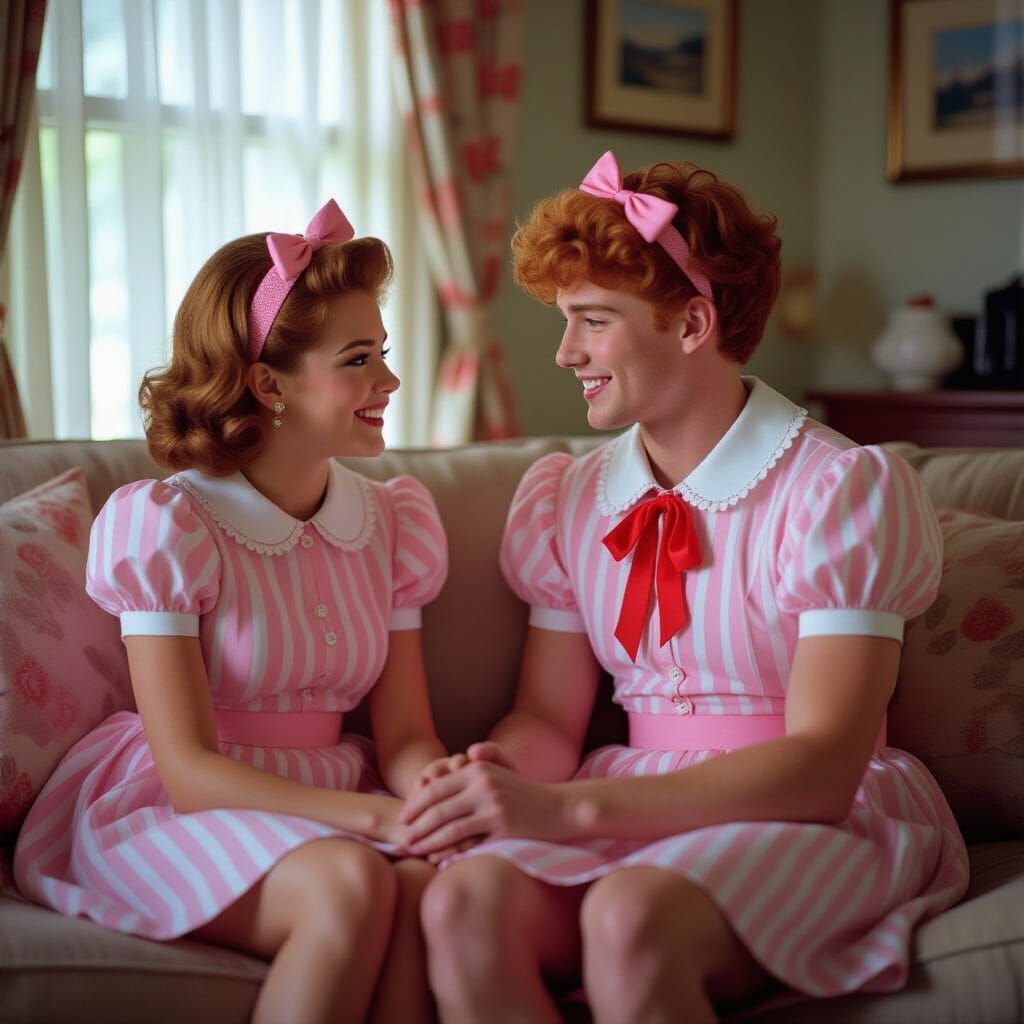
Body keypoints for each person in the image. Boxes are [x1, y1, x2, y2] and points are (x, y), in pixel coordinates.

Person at [399, 153, 970, 1023]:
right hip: (625, 796)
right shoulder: (572, 497)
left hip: (812, 808)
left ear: (694, 323)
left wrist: (566, 809)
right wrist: (491, 780)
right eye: (565, 321)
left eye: (593, 321)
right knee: (462, 901)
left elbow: (824, 762)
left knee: (631, 916)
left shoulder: (839, 490)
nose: (565, 352)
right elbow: (549, 718)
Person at [14, 200, 449, 1024]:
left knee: (431, 885)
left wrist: (443, 799)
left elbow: (405, 736)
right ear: (268, 382)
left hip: (332, 788)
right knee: (349, 882)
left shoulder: (394, 522)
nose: (389, 382)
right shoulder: (170, 524)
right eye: (358, 359)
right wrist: (378, 818)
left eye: (383, 354)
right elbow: (189, 769)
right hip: (180, 805)